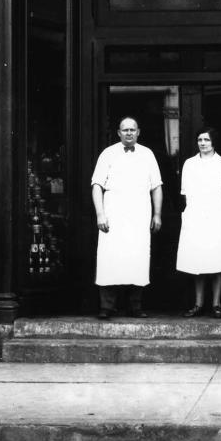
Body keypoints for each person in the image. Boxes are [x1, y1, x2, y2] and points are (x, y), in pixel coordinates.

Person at [90, 116, 163, 319]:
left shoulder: (147, 154)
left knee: (137, 257)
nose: (129, 133)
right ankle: (107, 306)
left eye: (132, 129)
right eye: (125, 130)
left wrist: (157, 214)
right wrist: (100, 214)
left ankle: (135, 306)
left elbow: (156, 186)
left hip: (139, 214)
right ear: (119, 133)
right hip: (113, 214)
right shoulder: (108, 154)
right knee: (109, 258)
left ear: (138, 132)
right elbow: (97, 185)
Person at [176, 127, 221, 319]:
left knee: (218, 261)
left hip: (217, 219)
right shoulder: (189, 164)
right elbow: (186, 193)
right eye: (200, 140)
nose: (203, 143)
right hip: (195, 218)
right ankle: (198, 303)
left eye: (207, 140)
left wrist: (217, 210)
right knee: (197, 262)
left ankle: (216, 303)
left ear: (214, 142)